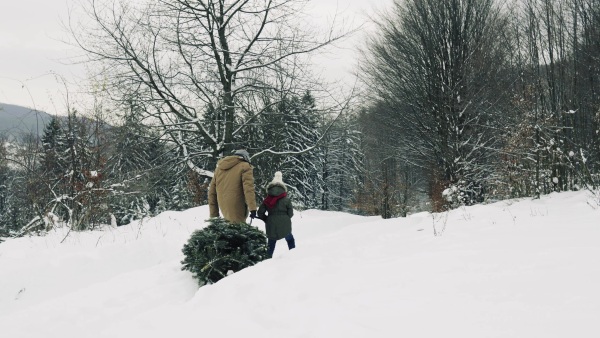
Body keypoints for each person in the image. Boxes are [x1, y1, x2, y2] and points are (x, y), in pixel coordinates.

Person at [208, 149, 258, 223]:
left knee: (230, 230)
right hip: (237, 206)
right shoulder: (245, 166)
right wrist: (252, 208)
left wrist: (214, 215)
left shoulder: (219, 169)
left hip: (223, 206)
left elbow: (212, 192)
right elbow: (248, 189)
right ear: (245, 158)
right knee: (238, 230)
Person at [258, 171, 295, 258]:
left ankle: (267, 260)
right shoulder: (286, 199)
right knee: (290, 240)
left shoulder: (267, 199)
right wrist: (285, 218)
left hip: (271, 223)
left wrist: (266, 219)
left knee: (271, 243)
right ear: (283, 188)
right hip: (284, 223)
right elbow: (291, 213)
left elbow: (260, 212)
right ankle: (294, 256)